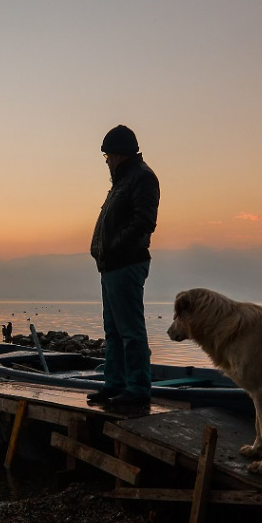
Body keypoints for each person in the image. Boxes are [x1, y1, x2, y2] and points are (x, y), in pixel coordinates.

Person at [88, 124, 159, 411]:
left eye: (108, 156)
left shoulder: (142, 178)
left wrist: (115, 245)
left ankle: (138, 389)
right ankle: (114, 384)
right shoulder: (122, 180)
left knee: (130, 330)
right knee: (114, 330)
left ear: (119, 155)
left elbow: (144, 221)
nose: (107, 162)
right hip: (111, 266)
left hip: (126, 263)